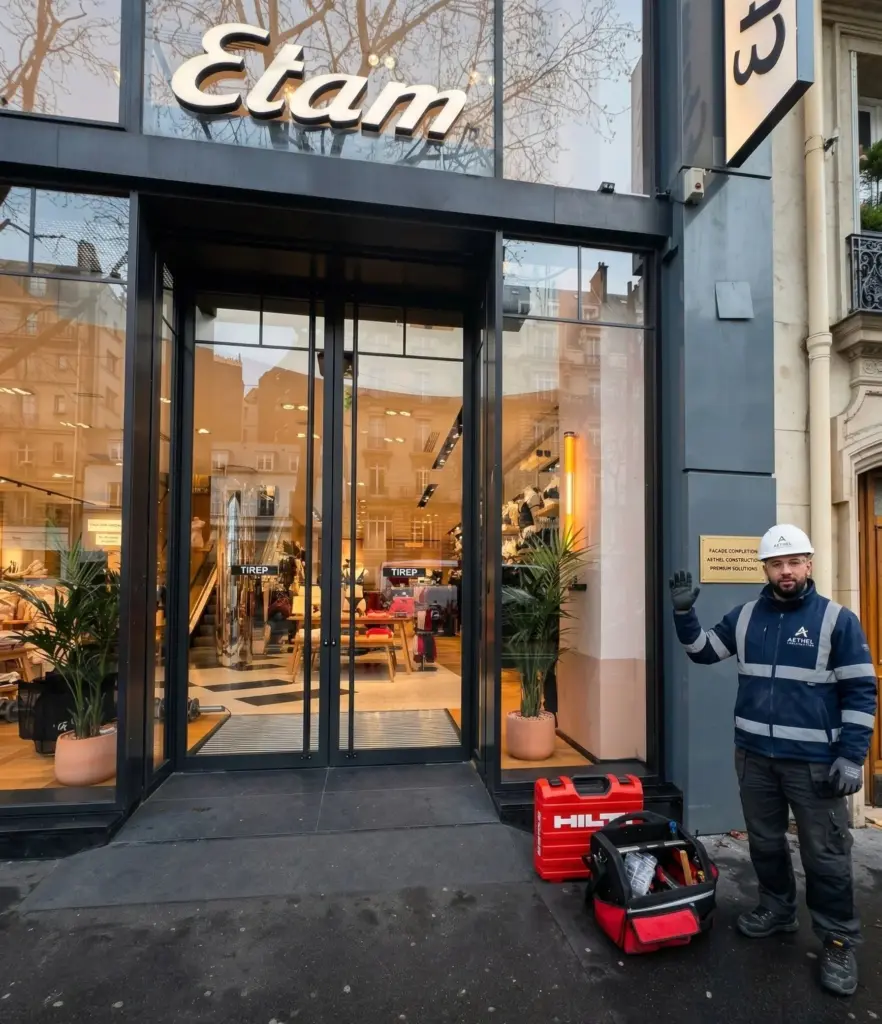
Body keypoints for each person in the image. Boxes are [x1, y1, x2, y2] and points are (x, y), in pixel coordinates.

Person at [669, 524, 877, 997]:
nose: (786, 571)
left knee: (825, 855)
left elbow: (861, 691)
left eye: (794, 562)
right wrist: (685, 614)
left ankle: (838, 938)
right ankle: (778, 909)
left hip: (815, 765)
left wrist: (851, 756)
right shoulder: (745, 618)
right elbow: (703, 652)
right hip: (756, 759)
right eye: (777, 564)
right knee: (764, 843)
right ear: (764, 568)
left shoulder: (836, 620)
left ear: (808, 565)